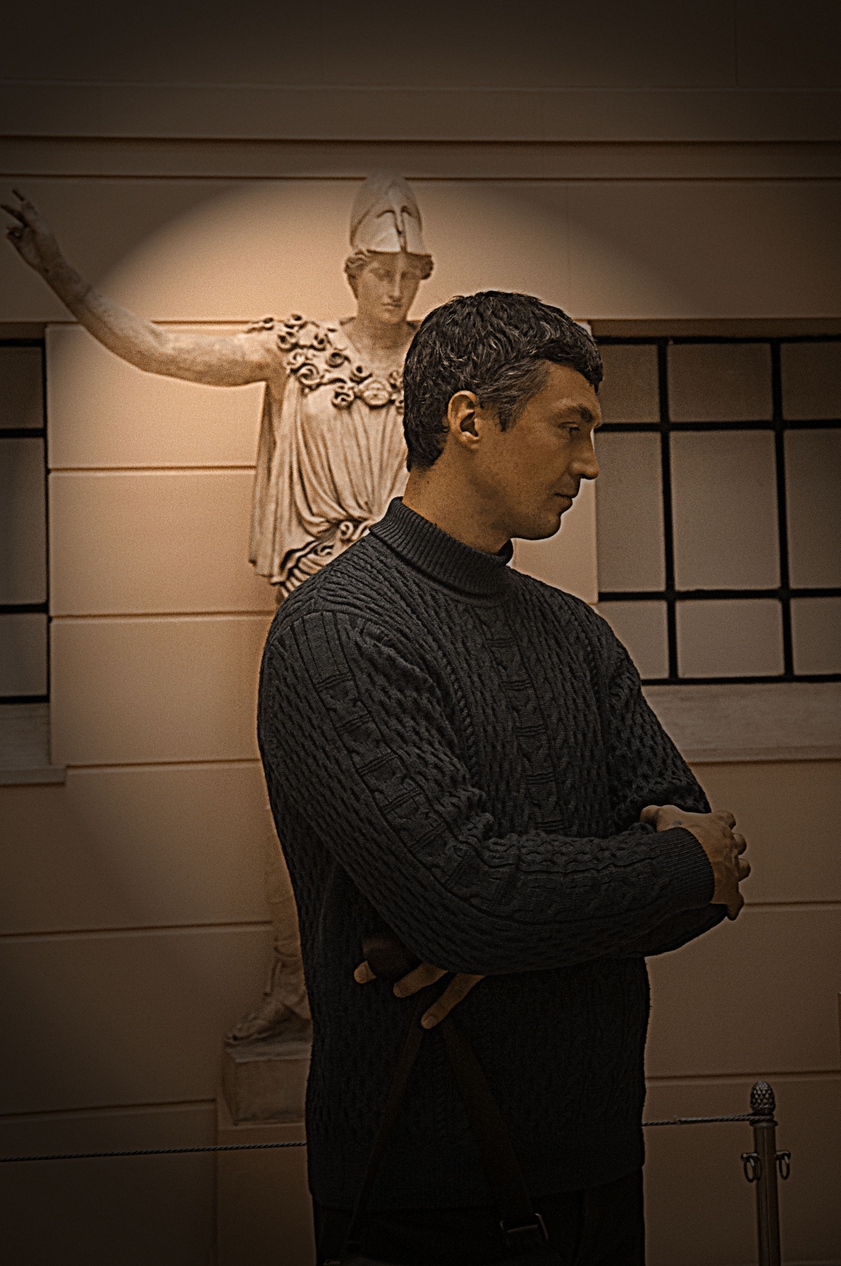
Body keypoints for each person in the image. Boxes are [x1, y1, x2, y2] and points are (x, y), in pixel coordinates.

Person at [256, 291, 751, 1265]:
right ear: (468, 419)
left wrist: (503, 925)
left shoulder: (574, 633)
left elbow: (704, 877)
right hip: (417, 1188)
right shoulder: (337, 632)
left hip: (600, 1164)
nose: (590, 464)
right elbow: (483, 897)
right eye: (571, 429)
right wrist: (647, 874)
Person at [3, 171, 434, 1041]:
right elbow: (161, 349)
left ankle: (414, 980)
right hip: (315, 607)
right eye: (379, 271)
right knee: (300, 796)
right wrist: (58, 271)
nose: (394, 289)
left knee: (421, 792)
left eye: (409, 272)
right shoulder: (296, 350)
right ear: (351, 271)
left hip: (412, 604)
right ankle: (297, 979)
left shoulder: (440, 360)